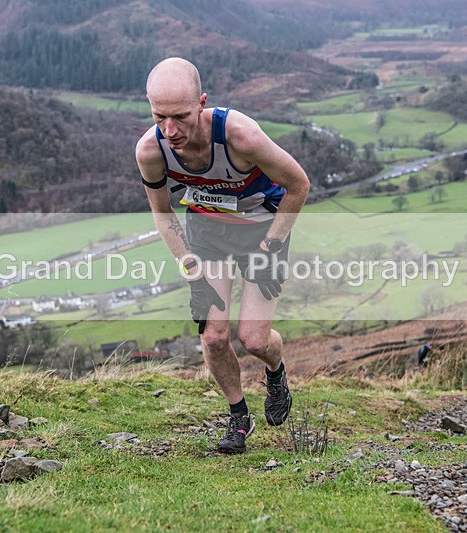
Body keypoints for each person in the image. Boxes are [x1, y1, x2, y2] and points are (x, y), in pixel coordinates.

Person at [135, 57, 310, 454]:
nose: (170, 130)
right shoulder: (151, 150)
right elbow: (163, 216)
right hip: (208, 232)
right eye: (159, 116)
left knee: (253, 338)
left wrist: (272, 246)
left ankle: (275, 371)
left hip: (263, 230)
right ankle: (238, 417)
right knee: (213, 336)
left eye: (180, 116)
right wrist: (192, 272)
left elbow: (299, 185)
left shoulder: (241, 137)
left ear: (202, 102)